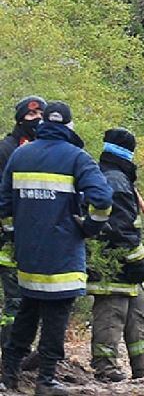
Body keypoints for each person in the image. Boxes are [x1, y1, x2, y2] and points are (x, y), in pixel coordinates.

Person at [0, 101, 112, 396]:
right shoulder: (77, 157)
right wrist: (90, 227)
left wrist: (15, 234)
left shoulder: (20, 154)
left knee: (27, 310)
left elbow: (4, 205)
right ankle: (46, 380)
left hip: (28, 254)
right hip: (62, 255)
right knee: (56, 317)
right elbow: (102, 199)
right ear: (69, 126)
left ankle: (8, 375)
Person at [87, 128, 144, 382]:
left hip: (123, 261)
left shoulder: (117, 177)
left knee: (139, 310)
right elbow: (122, 230)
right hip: (112, 262)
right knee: (111, 314)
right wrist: (136, 261)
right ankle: (105, 368)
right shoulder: (116, 182)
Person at [0, 96, 46, 350]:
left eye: (41, 114)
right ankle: (11, 351)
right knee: (15, 300)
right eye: (31, 115)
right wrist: (10, 230)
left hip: (37, 238)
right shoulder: (6, 149)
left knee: (36, 299)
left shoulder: (46, 150)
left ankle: (26, 351)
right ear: (20, 119)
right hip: (9, 242)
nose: (36, 119)